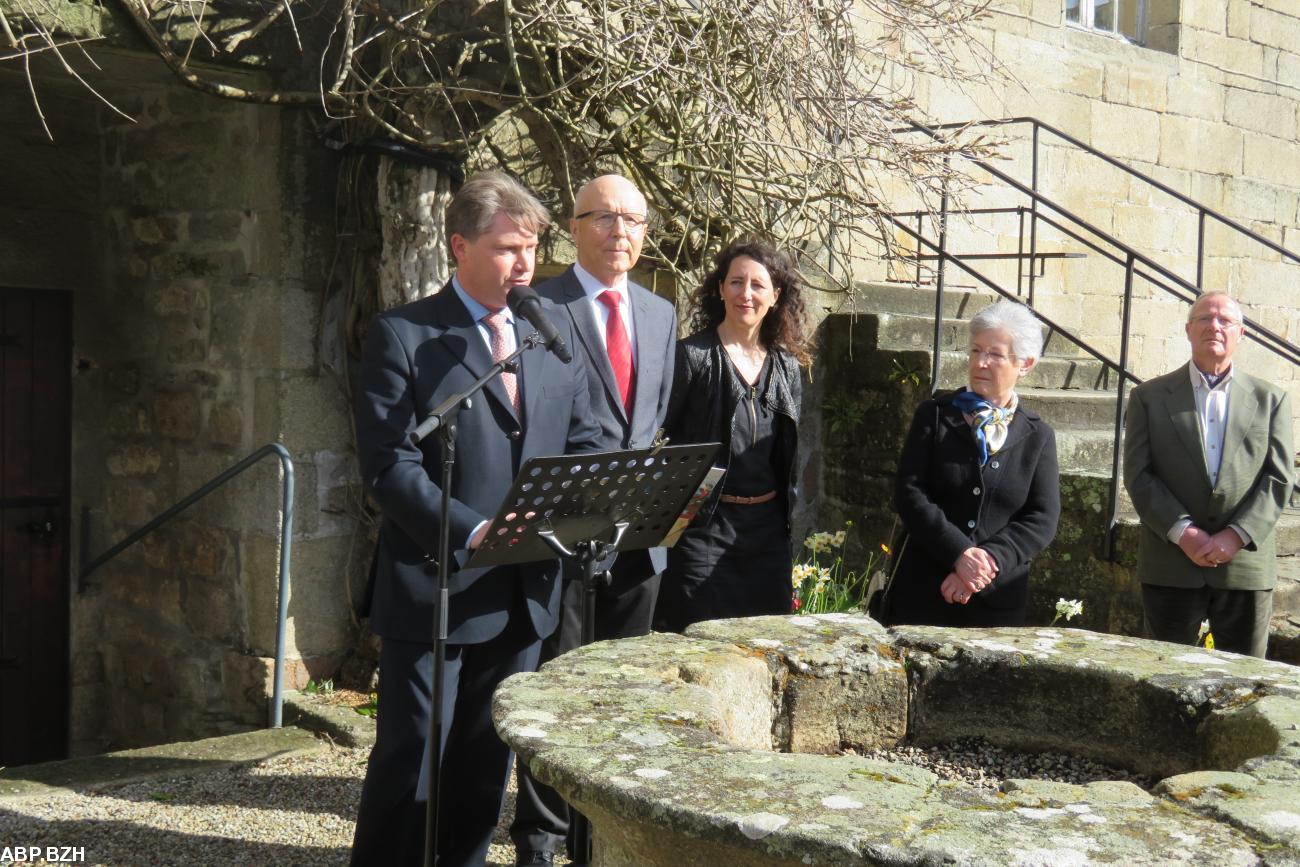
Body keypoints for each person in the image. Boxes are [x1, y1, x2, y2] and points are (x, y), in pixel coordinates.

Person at [350, 171, 602, 867]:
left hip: (523, 590)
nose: (524, 263)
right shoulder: (405, 335)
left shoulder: (551, 332)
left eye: (531, 248)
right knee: (411, 763)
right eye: (506, 247)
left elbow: (583, 443)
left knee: (484, 770)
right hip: (436, 585)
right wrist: (469, 528)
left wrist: (581, 517)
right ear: (459, 246)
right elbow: (389, 465)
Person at [510, 175, 677, 866]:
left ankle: (600, 836)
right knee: (556, 693)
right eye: (604, 217)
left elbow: (653, 420)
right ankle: (541, 839)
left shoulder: (660, 314)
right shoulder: (539, 307)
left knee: (617, 694)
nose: (620, 232)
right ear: (573, 227)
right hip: (563, 536)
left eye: (633, 220)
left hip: (636, 543)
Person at [1124, 291, 1295, 658]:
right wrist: (1183, 532)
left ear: (1241, 334)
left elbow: (1279, 478)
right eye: (1204, 318)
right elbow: (1139, 475)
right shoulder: (1148, 397)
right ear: (1188, 329)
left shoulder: (1272, 399)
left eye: (1225, 320)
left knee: (1245, 678)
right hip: (1171, 564)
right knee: (1163, 673)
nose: (1214, 326)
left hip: (1244, 566)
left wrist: (1236, 535)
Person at [653, 237, 810, 633]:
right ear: (721, 288)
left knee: (765, 645)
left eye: (758, 285)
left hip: (767, 535)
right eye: (736, 282)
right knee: (697, 645)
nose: (746, 294)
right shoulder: (692, 356)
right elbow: (660, 440)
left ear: (775, 296)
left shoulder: (787, 367)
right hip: (703, 530)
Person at [888, 299, 1061, 627]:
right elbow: (910, 493)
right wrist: (959, 554)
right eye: (976, 351)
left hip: (996, 603)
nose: (981, 362)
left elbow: (1042, 518)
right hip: (922, 593)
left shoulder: (1038, 436)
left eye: (995, 354)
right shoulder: (935, 415)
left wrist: (986, 563)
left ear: (1025, 364)